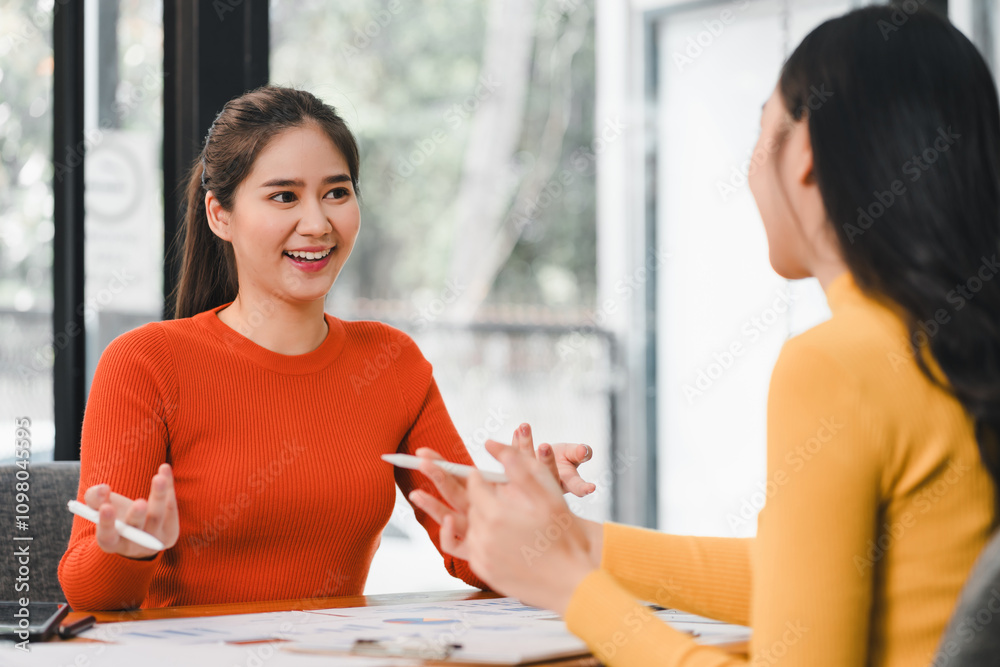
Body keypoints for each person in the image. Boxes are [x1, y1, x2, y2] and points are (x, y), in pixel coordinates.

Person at [410, 7, 1000, 666]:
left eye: (760, 128)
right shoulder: (954, 344)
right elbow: (803, 579)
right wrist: (565, 540)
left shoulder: (837, 363)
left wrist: (571, 588)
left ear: (803, 154)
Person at [57, 86, 594, 611]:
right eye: (283, 196)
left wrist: (530, 512)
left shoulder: (391, 362)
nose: (317, 224)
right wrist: (125, 551)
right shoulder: (146, 363)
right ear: (220, 215)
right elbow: (90, 593)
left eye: (336, 192)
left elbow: (479, 560)